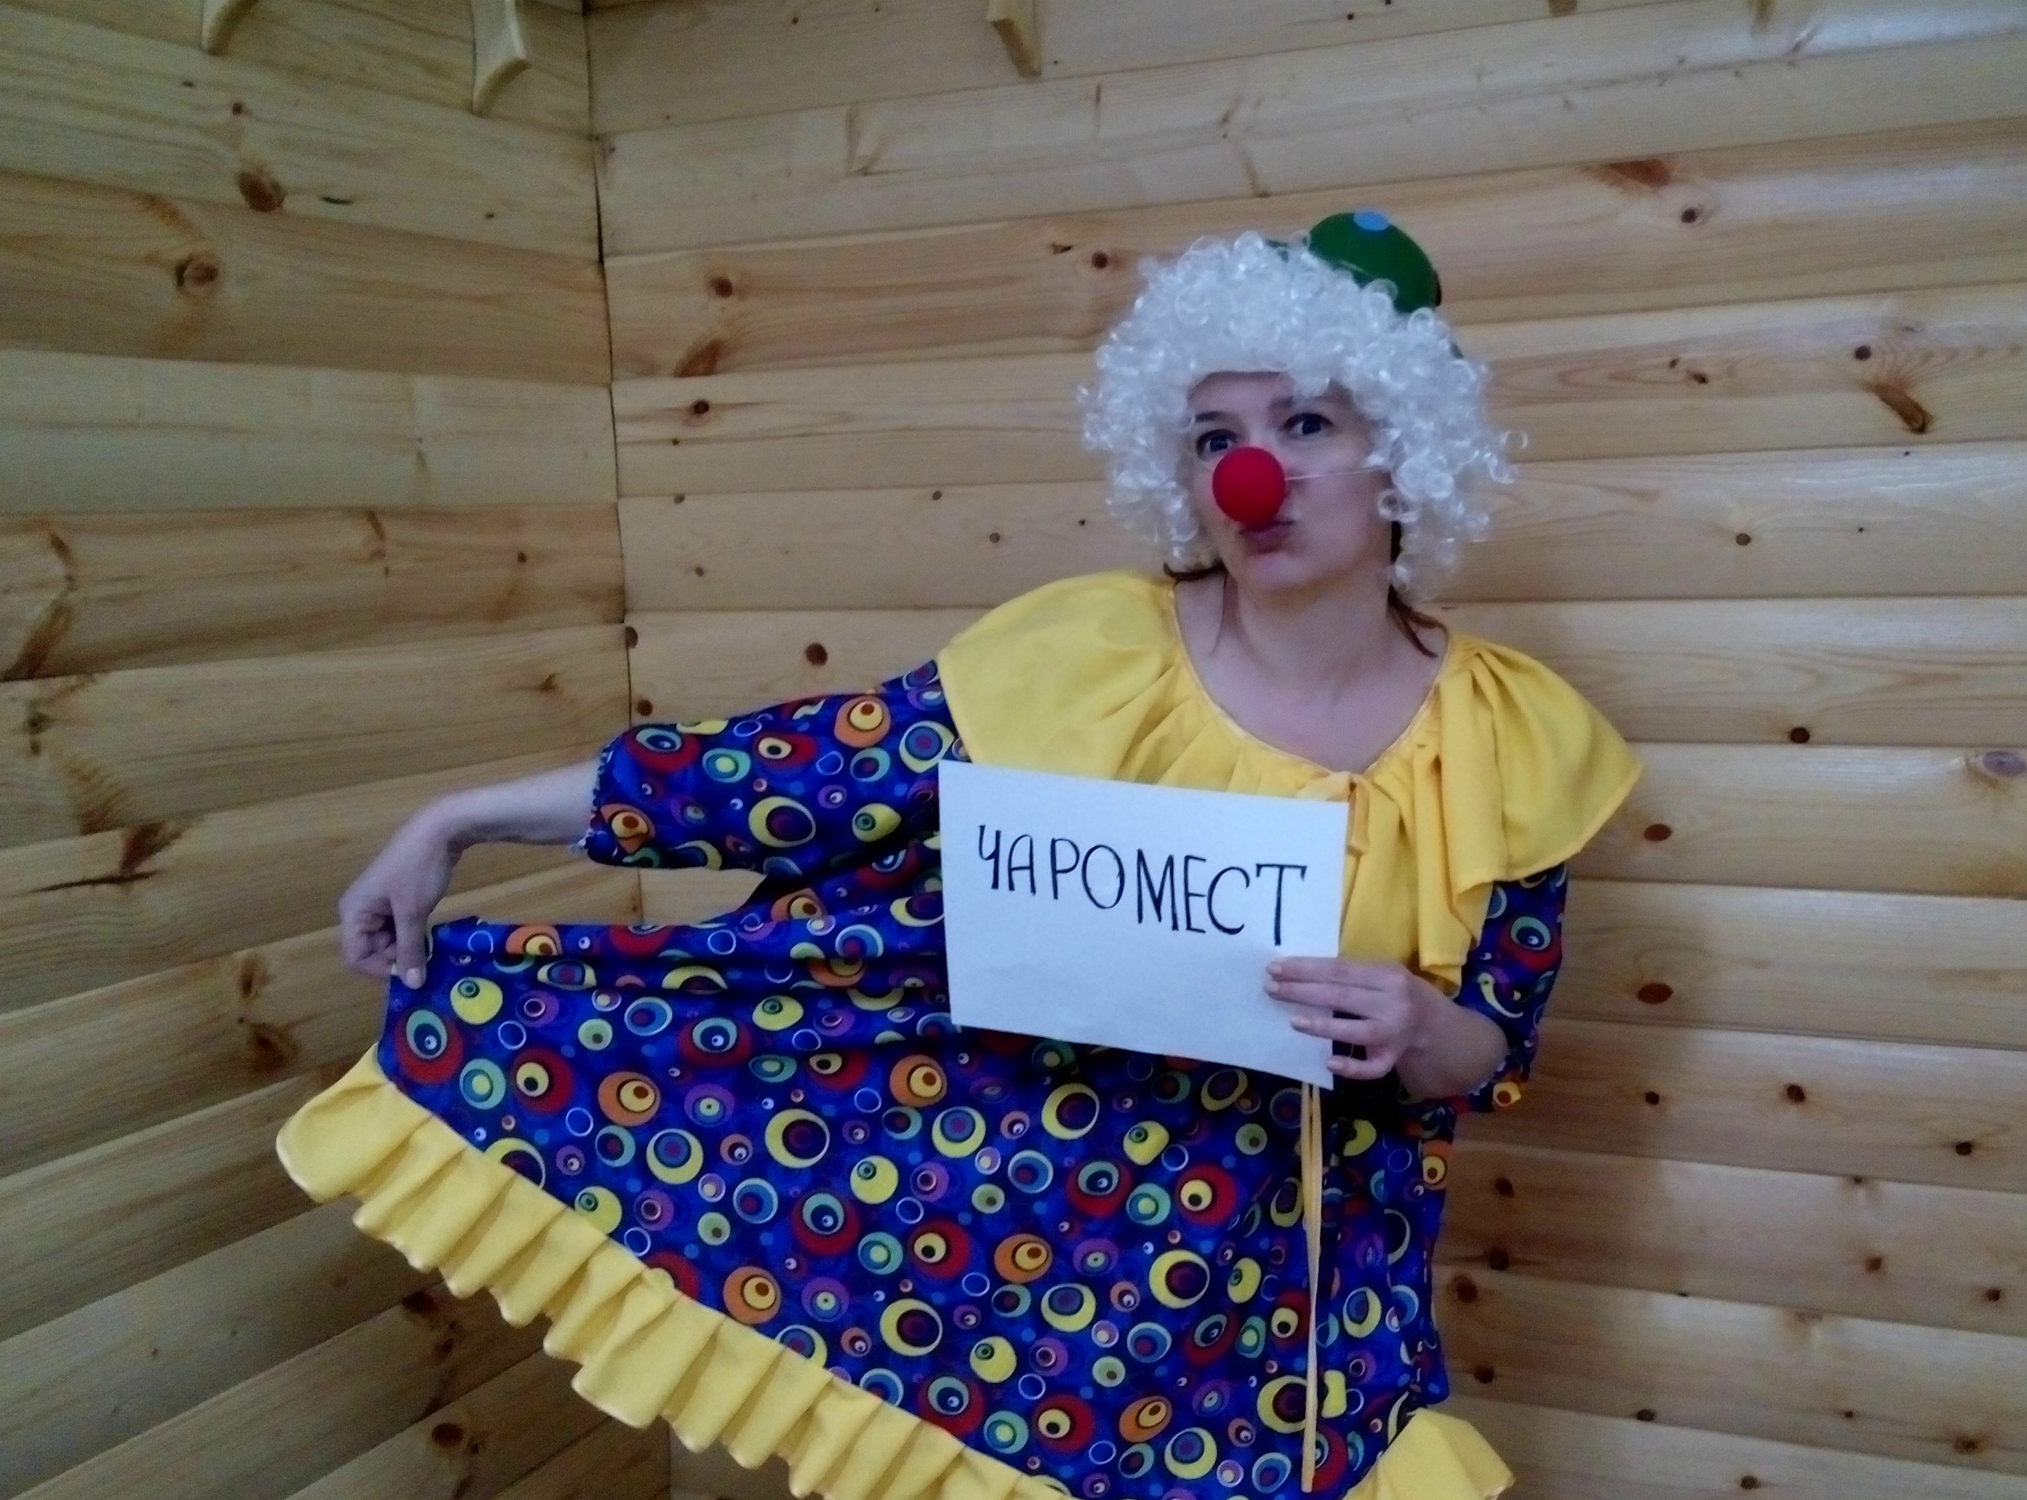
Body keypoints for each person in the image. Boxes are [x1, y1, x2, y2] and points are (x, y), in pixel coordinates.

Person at [279, 212, 1639, 1500]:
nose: (1251, 474)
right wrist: (455, 820)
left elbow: (1492, 1045)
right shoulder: (1087, 658)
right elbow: (785, 777)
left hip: (1299, 1327)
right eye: (1213, 436)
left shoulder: (1513, 737)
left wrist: (1419, 1031)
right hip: (1035, 1276)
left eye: (1304, 424)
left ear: (1401, 445)